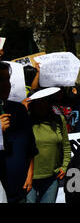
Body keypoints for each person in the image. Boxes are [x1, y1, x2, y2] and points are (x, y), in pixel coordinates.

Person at [0, 61, 38, 203]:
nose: (6, 84)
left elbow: (30, 146)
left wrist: (29, 175)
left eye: (7, 79)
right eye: (0, 80)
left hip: (20, 189)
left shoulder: (19, 110)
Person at [26, 87, 71, 203]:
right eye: (38, 102)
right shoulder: (25, 121)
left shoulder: (59, 119)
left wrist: (64, 166)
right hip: (29, 179)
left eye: (45, 101)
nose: (42, 105)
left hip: (52, 179)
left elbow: (66, 146)